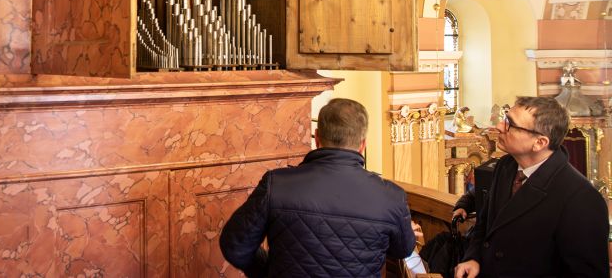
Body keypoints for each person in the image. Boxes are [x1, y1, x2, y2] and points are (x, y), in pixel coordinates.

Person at [219, 98, 418, 277]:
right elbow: (403, 250)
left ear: (317, 138)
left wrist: (267, 270)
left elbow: (234, 244)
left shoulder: (276, 184)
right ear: (362, 145)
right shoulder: (392, 197)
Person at [454, 96, 609, 278]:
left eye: (510, 124)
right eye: (505, 118)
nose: (499, 126)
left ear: (540, 143)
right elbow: (485, 224)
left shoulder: (582, 199)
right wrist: (473, 258)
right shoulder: (505, 166)